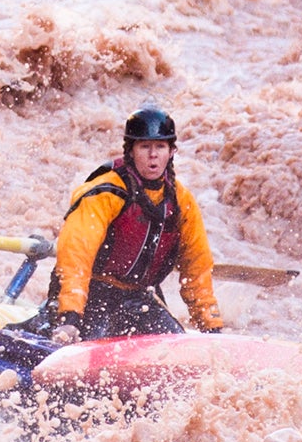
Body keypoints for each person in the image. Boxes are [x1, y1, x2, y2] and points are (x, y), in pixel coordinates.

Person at [46, 106, 223, 344]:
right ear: (131, 151)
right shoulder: (105, 193)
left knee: (173, 343)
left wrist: (211, 329)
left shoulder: (181, 201)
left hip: (136, 297)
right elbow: (76, 258)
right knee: (90, 342)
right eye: (144, 147)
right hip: (92, 293)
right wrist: (70, 317)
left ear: (171, 152)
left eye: (160, 147)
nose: (153, 155)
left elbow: (197, 269)